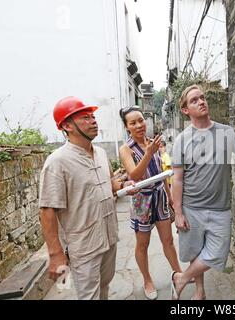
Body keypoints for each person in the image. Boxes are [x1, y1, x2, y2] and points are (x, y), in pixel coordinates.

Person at [170, 85, 235, 300]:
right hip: (191, 207)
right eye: (194, 100)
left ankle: (181, 279)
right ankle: (200, 292)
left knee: (217, 253)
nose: (201, 101)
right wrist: (178, 213)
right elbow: (177, 179)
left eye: (202, 98)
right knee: (195, 252)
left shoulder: (226, 132)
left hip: (221, 208)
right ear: (185, 110)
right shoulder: (181, 140)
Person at [39, 96, 135, 300]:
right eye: (85, 117)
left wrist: (123, 186)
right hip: (84, 246)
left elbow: (109, 184)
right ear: (66, 125)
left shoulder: (100, 153)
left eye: (93, 116)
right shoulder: (57, 162)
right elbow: (47, 210)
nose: (93, 121)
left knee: (104, 288)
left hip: (109, 237)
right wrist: (55, 254)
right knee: (88, 296)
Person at [118, 106, 182, 300]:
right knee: (142, 244)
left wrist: (170, 198)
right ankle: (147, 280)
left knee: (168, 240)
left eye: (140, 120)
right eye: (133, 123)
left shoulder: (151, 142)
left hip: (160, 196)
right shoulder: (125, 149)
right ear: (127, 127)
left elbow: (161, 171)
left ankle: (179, 275)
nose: (139, 125)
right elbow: (134, 175)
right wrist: (148, 152)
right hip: (141, 201)